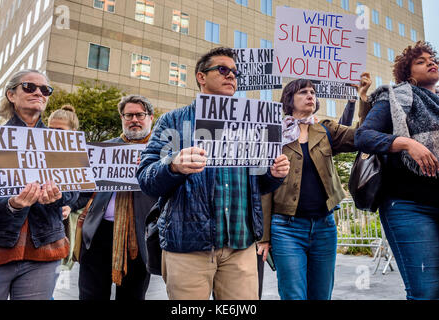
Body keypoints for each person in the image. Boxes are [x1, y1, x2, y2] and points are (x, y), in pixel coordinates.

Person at [137, 47, 290, 300]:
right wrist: (172, 166)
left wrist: (273, 174)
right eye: (222, 69)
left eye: (234, 72)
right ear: (201, 76)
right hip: (187, 247)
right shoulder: (173, 121)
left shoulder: (251, 124)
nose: (231, 75)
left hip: (240, 245)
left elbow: (257, 186)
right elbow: (146, 178)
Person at [257, 74, 372, 300]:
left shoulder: (326, 129)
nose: (310, 95)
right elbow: (264, 187)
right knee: (293, 294)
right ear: (289, 99)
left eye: (312, 92)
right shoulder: (272, 134)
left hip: (324, 227)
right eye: (303, 92)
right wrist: (264, 236)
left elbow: (363, 135)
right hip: (286, 228)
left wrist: (363, 98)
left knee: (321, 294)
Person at [355, 41, 439, 300]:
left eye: (432, 59)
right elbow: (363, 136)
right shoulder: (394, 96)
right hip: (409, 205)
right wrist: (406, 143)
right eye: (421, 61)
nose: (430, 63)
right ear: (409, 73)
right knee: (426, 292)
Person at [0, 69, 79, 300]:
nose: (39, 93)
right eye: (30, 87)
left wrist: (57, 196)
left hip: (43, 250)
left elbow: (73, 193)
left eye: (45, 89)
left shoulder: (60, 143)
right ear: (11, 95)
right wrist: (11, 204)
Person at [71, 94, 157, 300]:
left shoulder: (158, 153)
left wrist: (147, 171)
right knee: (91, 295)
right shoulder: (103, 150)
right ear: (122, 118)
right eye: (128, 115)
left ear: (151, 118)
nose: (134, 120)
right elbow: (82, 193)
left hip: (139, 238)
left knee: (132, 296)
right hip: (99, 234)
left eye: (139, 115)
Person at [47, 104, 81, 271]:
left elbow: (86, 193)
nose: (53, 134)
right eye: (50, 129)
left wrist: (70, 205)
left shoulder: (80, 158)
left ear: (73, 133)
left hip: (58, 229)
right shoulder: (35, 152)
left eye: (59, 130)